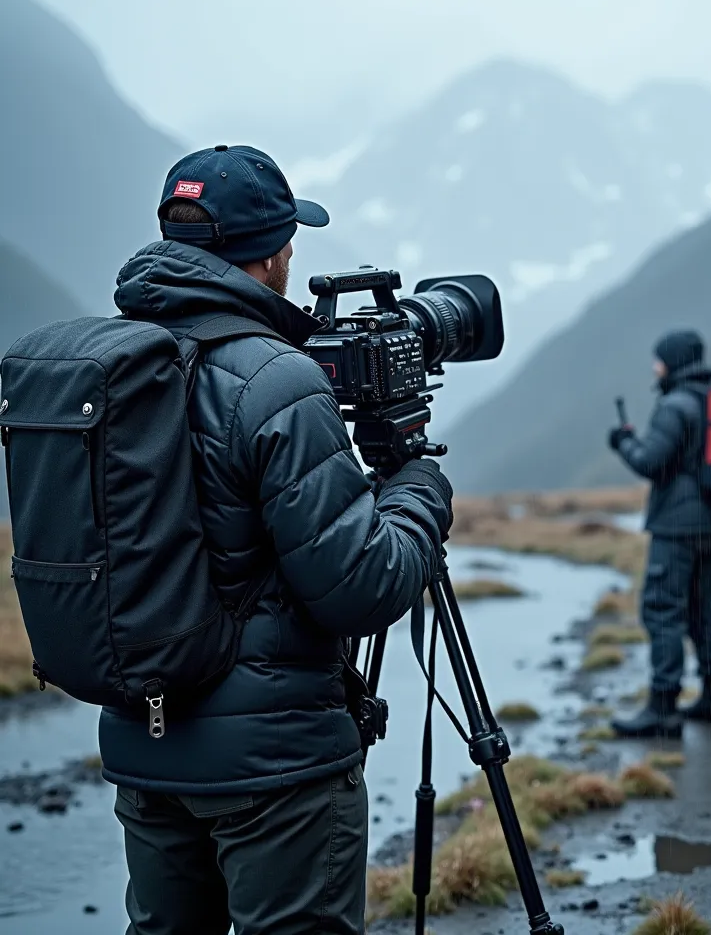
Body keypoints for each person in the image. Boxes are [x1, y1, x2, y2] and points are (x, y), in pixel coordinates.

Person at [99, 145, 453, 935]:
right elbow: (361, 587)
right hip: (275, 767)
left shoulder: (119, 368)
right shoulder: (277, 379)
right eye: (290, 238)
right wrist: (419, 492)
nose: (293, 252)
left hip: (145, 739)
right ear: (268, 255)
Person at [607, 330, 711, 737]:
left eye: (659, 360)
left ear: (673, 362)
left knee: (662, 610)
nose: (655, 367)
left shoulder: (675, 405)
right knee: (700, 609)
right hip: (710, 522)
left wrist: (623, 442)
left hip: (677, 526)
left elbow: (650, 463)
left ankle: (663, 708)